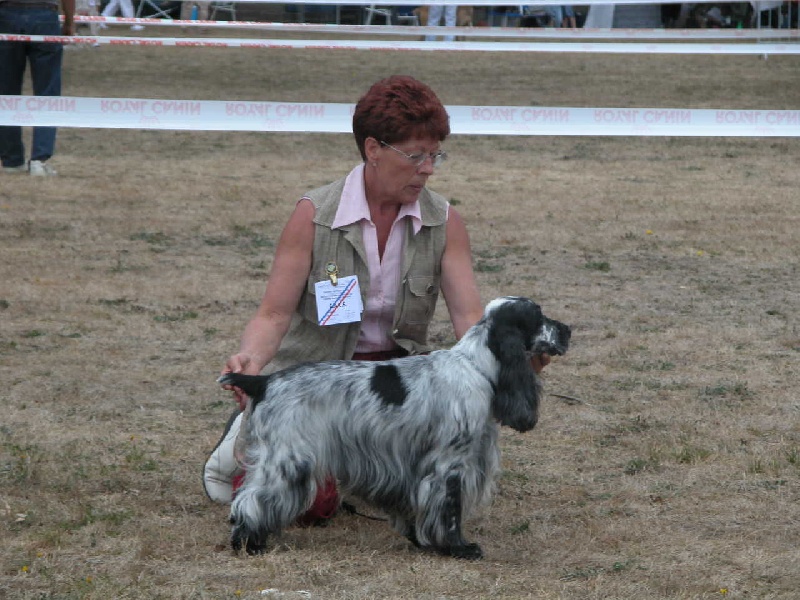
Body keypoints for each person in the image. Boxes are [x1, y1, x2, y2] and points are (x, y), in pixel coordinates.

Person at [202, 75, 551, 524]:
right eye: (416, 156)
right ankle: (246, 433)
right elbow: (273, 314)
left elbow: (470, 319)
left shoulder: (444, 222)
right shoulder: (314, 216)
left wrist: (514, 362)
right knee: (308, 507)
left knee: (410, 492)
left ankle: (360, 471)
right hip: (320, 387)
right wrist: (249, 356)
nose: (429, 169)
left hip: (399, 389)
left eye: (435, 155)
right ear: (373, 149)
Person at [0, 0, 75, 176]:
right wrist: (70, 22)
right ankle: (39, 160)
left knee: (6, 91)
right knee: (47, 92)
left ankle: (12, 159)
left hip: (7, 14)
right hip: (45, 14)